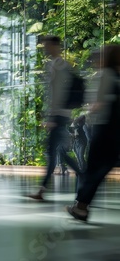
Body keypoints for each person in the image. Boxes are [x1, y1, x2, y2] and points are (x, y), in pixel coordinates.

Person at [67, 45, 120, 221]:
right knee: (99, 167)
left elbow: (96, 103)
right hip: (106, 127)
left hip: (105, 127)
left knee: (98, 167)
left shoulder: (107, 75)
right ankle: (81, 205)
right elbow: (98, 103)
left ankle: (81, 205)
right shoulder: (108, 75)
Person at [29, 35, 83, 200]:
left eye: (47, 45)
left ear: (56, 46)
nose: (45, 48)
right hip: (58, 115)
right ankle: (43, 189)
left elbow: (59, 95)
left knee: (54, 152)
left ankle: (82, 175)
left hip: (59, 116)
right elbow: (51, 94)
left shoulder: (60, 66)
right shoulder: (54, 65)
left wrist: (52, 117)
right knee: (57, 152)